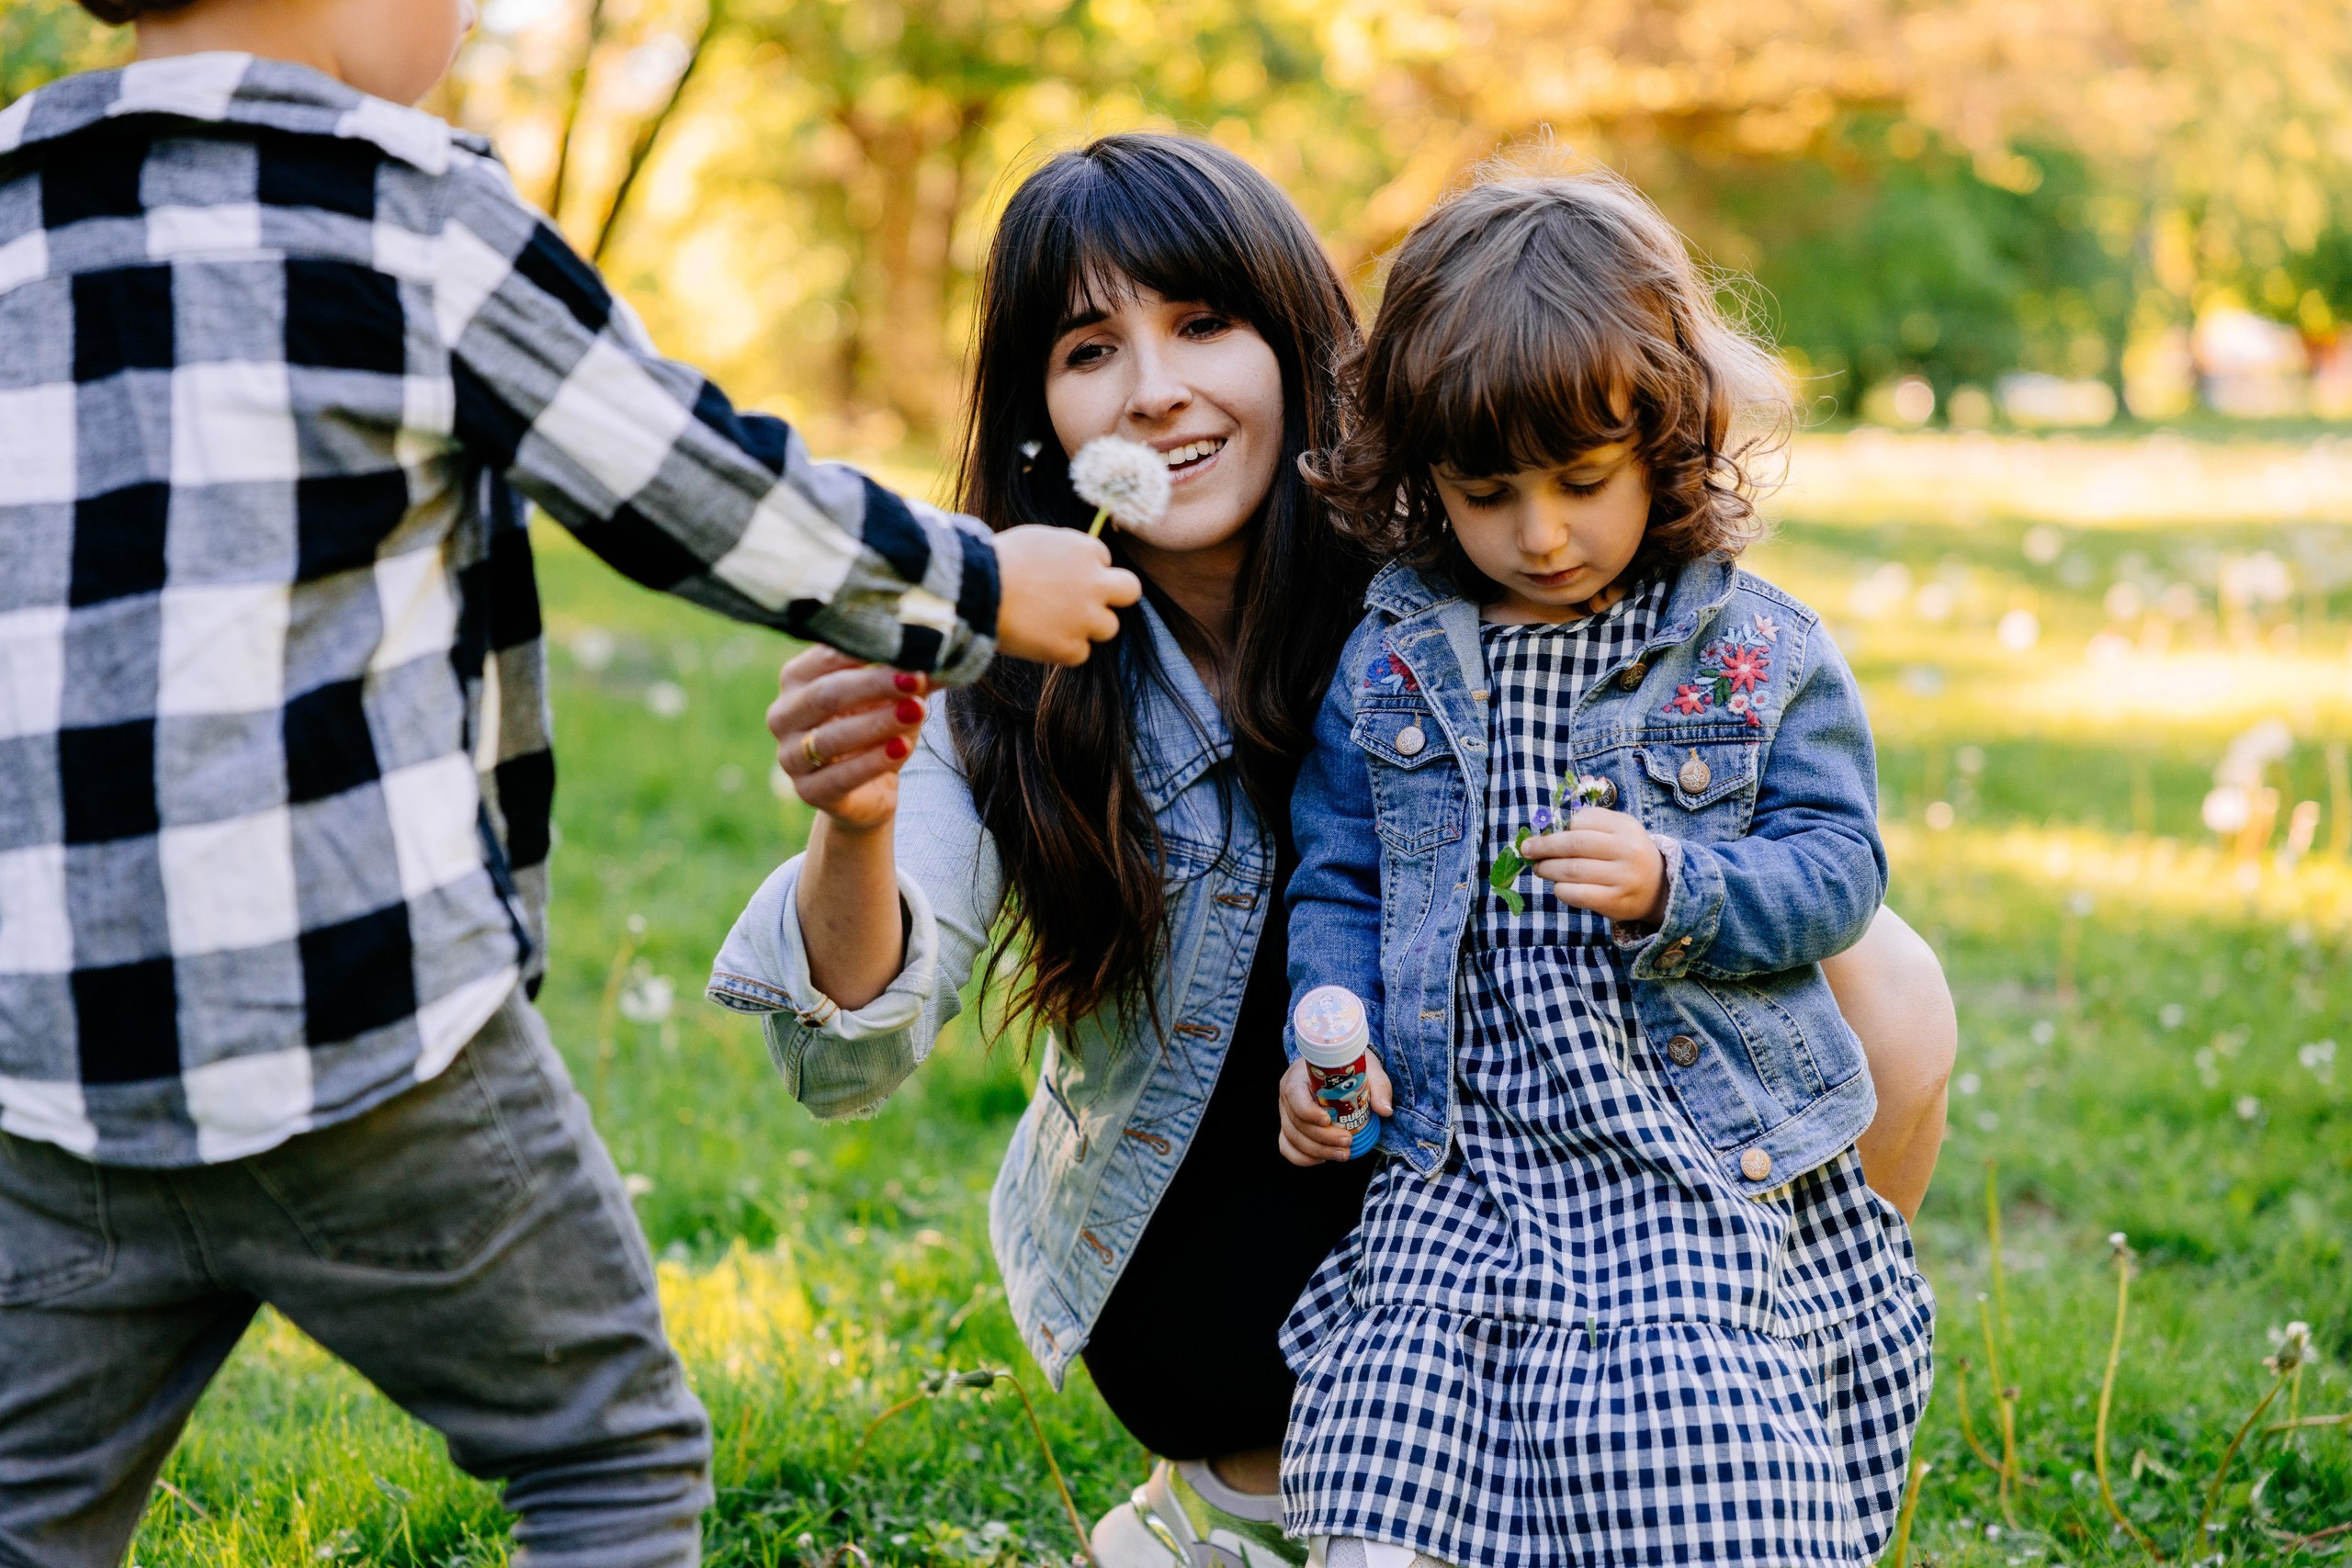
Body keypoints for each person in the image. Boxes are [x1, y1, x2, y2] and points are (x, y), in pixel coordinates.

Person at [709, 136, 1951, 1568]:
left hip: (1566, 1161)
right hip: (1239, 1243)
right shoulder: (996, 669)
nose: (1156, 387)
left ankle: (1738, 1391)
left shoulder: (1471, 553)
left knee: (1888, 980)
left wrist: (1675, 878)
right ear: (1041, 413)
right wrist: (852, 822)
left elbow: (1778, 811)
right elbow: (844, 1059)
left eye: (1202, 324)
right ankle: (1241, 1497)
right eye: (1090, 347)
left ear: (1306, 348)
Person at [0, 0, 1138, 1555]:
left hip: (47, 1065)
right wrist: (977, 585)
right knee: (607, 1456)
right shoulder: (410, 217)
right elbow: (696, 480)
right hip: (373, 1042)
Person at [1272, 164, 1934, 1568]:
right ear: (1423, 476)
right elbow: (1341, 882)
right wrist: (1326, 1046)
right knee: (1391, 1476)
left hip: (1681, 1158)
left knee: (1702, 1471)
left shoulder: (1756, 654)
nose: (1541, 533)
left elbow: (1837, 867)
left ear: (1670, 444)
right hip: (1466, 1162)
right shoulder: (1390, 658)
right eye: (1486, 492)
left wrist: (1677, 885)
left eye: (1584, 482)